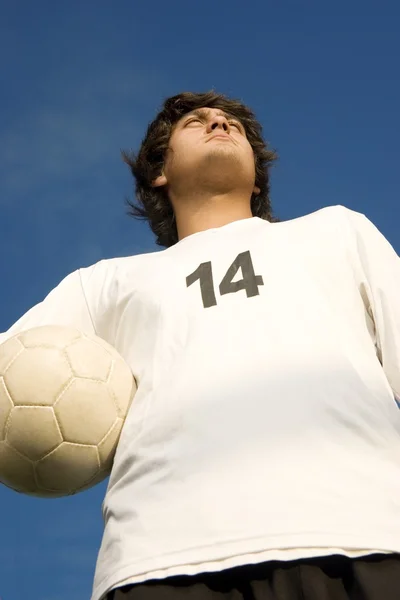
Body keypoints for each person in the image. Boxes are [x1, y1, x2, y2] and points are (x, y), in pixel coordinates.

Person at [1, 91, 400, 600]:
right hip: (164, 562)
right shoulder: (106, 283)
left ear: (257, 178)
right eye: (196, 122)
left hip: (367, 538)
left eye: (230, 121)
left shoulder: (338, 232)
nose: (218, 121)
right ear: (157, 174)